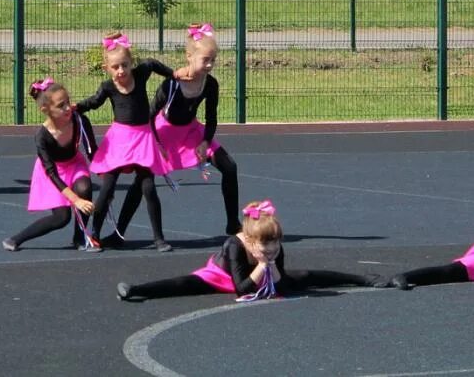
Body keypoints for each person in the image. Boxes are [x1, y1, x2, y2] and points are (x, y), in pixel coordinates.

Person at [118, 200, 387, 301]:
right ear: (249, 238)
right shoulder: (234, 245)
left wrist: (271, 265)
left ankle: (364, 279)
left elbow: (282, 283)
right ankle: (138, 289)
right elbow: (243, 289)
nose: (271, 250)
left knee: (308, 276)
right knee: (184, 283)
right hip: (221, 276)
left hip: (256, 274)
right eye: (265, 246)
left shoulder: (274, 249)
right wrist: (261, 265)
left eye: (275, 245)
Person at [76, 33, 195, 252]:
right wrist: (76, 108)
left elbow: (151, 63)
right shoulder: (108, 87)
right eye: (115, 67)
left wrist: (173, 74)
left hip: (143, 139)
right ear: (107, 68)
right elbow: (93, 102)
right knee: (108, 187)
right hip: (119, 140)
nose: (120, 71)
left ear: (131, 63)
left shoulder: (140, 75)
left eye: (124, 65)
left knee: (148, 188)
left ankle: (159, 238)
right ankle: (93, 234)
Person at [152, 23, 240, 234]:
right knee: (143, 179)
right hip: (164, 133)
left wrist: (205, 142)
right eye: (205, 60)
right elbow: (149, 114)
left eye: (213, 60)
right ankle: (122, 230)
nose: (210, 65)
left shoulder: (210, 84)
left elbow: (211, 117)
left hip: (192, 132)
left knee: (230, 167)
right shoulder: (170, 84)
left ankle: (233, 222)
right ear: (189, 56)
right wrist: (156, 143)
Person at [3, 79, 97, 251]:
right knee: (61, 218)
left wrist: (107, 176)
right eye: (61, 105)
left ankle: (80, 237)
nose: (68, 108)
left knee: (84, 187)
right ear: (45, 110)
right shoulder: (42, 136)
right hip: (53, 174)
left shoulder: (80, 121)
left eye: (68, 102)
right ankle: (16, 239)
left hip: (75, 164)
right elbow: (51, 173)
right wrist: (75, 200)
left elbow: (93, 152)